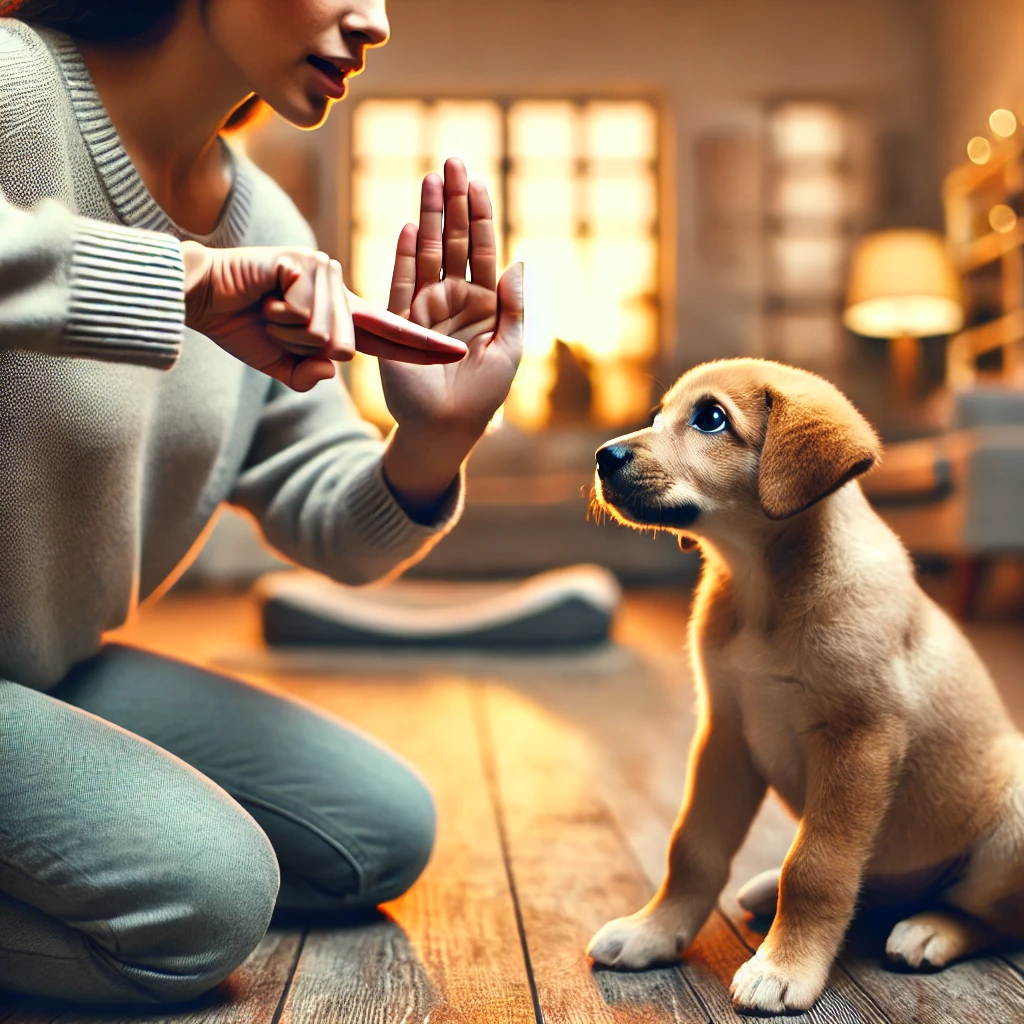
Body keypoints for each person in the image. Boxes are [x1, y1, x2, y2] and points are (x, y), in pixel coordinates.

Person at [0, 0, 524, 1004]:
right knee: (207, 899)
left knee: (376, 829)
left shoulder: (268, 223)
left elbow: (331, 518)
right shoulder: (15, 85)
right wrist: (178, 281)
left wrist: (432, 435)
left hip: (43, 666)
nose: (373, 21)